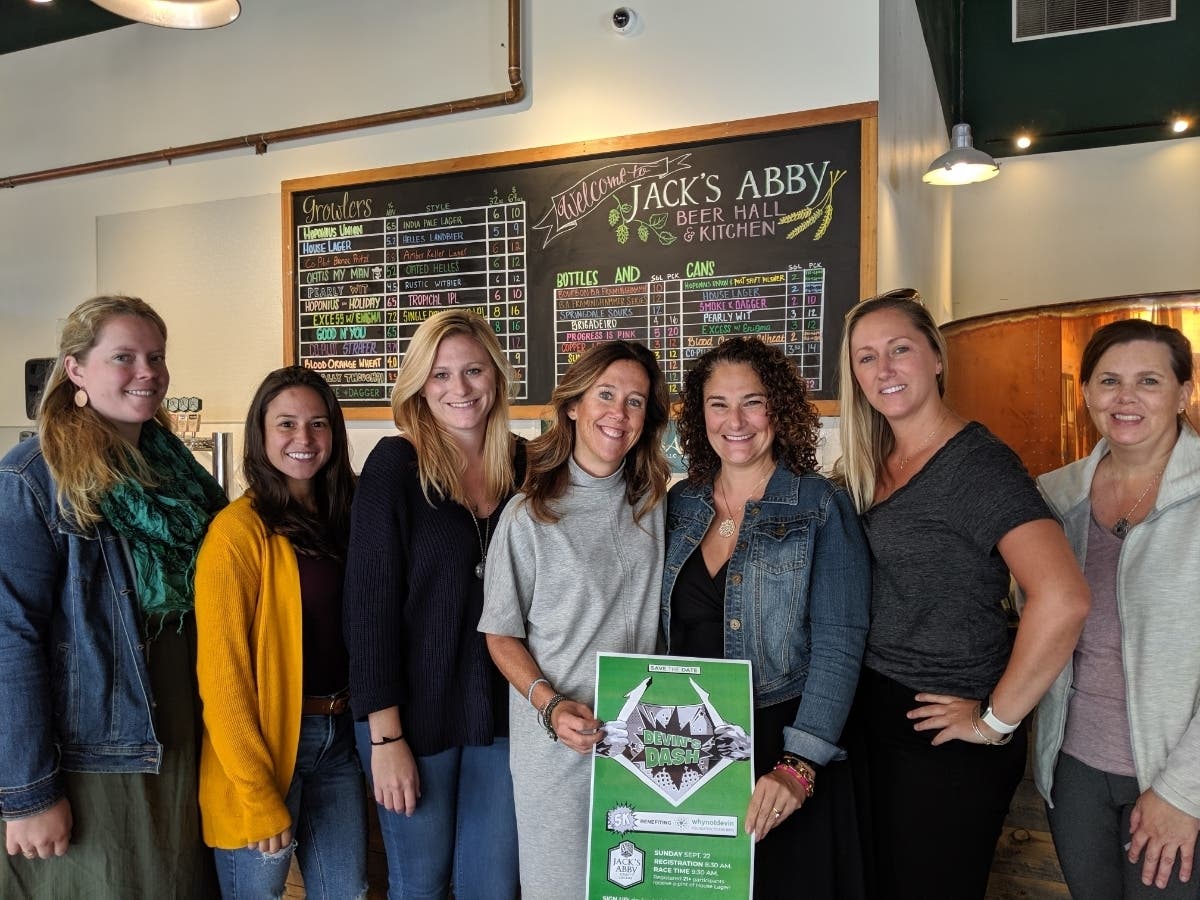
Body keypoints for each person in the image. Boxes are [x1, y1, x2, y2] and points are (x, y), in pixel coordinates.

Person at [836, 288, 1091, 899]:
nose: (884, 369)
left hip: (942, 734)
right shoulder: (874, 462)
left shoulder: (976, 465)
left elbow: (1063, 597)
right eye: (866, 358)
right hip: (873, 712)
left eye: (900, 349)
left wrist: (995, 721)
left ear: (936, 357)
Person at [0, 294, 227, 897]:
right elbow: (9, 640)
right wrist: (29, 792)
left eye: (155, 356)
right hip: (94, 748)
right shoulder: (31, 479)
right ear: (75, 369)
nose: (147, 371)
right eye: (123, 356)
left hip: (181, 723)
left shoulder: (175, 469)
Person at [661, 336, 870, 899]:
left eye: (752, 401)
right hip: (686, 742)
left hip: (783, 740)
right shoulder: (679, 504)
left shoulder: (820, 505)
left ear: (778, 409)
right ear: (699, 414)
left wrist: (798, 764)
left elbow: (841, 644)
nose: (736, 421)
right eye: (718, 404)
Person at [478, 340, 670, 900]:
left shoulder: (656, 505)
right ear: (572, 406)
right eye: (605, 395)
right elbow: (500, 633)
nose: (619, 413)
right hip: (560, 745)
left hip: (645, 743)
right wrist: (551, 705)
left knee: (636, 888)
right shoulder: (530, 512)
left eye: (635, 402)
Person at [343, 309, 524, 900]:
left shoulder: (527, 466)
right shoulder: (396, 466)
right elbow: (368, 610)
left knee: (491, 888)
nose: (459, 388)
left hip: (503, 716)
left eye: (472, 370)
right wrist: (386, 740)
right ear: (419, 384)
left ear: (495, 376)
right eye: (440, 374)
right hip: (414, 723)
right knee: (418, 886)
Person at [1034, 319, 1200, 899]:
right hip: (1074, 772)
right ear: (1087, 394)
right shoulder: (1054, 496)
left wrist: (1185, 792)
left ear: (1184, 393)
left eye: (1149, 381)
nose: (1125, 398)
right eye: (1109, 381)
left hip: (1176, 776)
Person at [195, 365, 367, 898]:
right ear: (261, 434)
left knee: (348, 892)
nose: (304, 439)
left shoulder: (352, 515)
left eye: (318, 424)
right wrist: (256, 793)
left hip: (340, 740)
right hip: (266, 752)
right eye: (287, 424)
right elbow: (222, 681)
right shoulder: (237, 534)